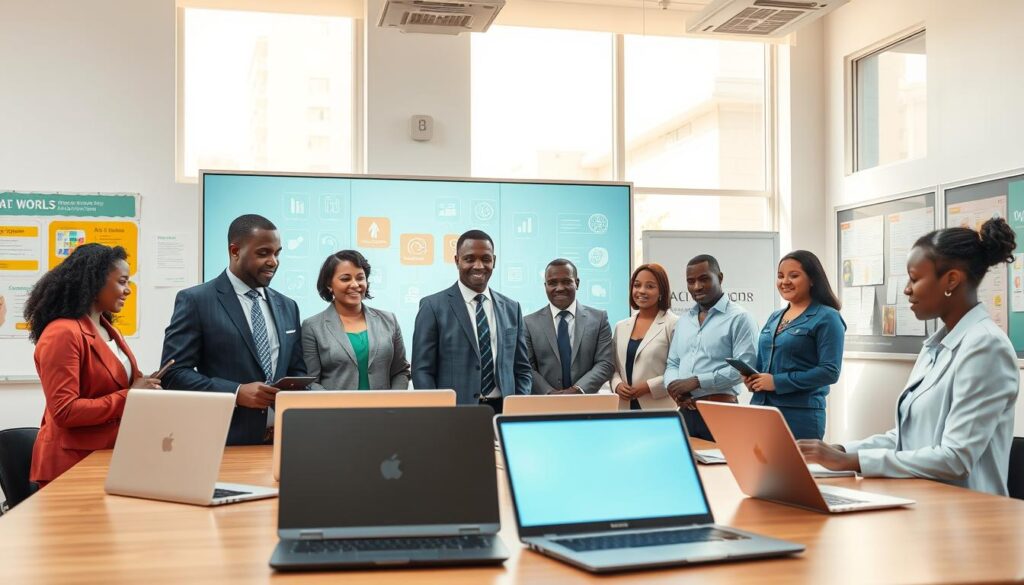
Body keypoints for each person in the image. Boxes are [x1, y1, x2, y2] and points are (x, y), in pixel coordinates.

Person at [800, 218, 1019, 496]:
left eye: (915, 279)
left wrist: (851, 461)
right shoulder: (936, 347)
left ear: (951, 280)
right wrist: (839, 451)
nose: (907, 289)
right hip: (924, 503)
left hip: (969, 515)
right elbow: (906, 440)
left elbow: (955, 458)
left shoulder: (986, 347)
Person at [161, 214, 306, 445]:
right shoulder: (196, 300)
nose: (273, 261)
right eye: (263, 253)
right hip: (226, 440)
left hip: (284, 441)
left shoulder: (288, 306)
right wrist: (236, 392)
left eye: (277, 253)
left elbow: (297, 371)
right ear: (235, 250)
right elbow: (173, 374)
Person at [25, 244, 161, 486]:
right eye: (122, 282)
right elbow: (65, 411)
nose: (128, 290)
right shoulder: (62, 333)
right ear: (95, 282)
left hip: (108, 457)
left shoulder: (109, 330)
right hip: (71, 465)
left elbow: (116, 385)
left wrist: (144, 387)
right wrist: (130, 396)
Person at [411, 229, 531, 411]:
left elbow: (522, 369)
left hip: (504, 412)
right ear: (457, 261)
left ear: (494, 261)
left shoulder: (512, 308)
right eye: (469, 259)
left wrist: (519, 406)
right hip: (454, 414)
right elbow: (422, 371)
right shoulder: (432, 307)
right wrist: (437, 413)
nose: (478, 266)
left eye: (485, 259)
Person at [744, 250, 845, 440]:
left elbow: (830, 371)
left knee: (792, 470)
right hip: (761, 410)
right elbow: (764, 364)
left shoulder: (828, 317)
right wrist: (754, 379)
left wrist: (776, 382)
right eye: (780, 276)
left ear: (812, 279)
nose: (785, 281)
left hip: (799, 416)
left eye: (794, 275)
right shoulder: (774, 317)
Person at [665, 255, 758, 441]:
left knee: (723, 470)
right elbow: (673, 362)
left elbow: (745, 369)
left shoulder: (740, 318)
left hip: (721, 413)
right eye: (690, 281)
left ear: (720, 278)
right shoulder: (684, 321)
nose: (697, 287)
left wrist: (698, 381)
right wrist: (674, 387)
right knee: (686, 469)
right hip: (685, 413)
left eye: (704, 279)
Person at [302, 250, 410, 390]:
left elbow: (401, 372)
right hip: (335, 410)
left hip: (384, 410)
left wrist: (391, 403)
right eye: (345, 279)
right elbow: (311, 381)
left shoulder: (389, 320)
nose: (355, 284)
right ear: (329, 285)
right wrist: (333, 407)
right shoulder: (312, 327)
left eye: (360, 278)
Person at [524, 259, 614, 394]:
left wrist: (577, 390)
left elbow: (605, 363)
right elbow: (526, 367)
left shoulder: (599, 319)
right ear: (545, 286)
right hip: (544, 405)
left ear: (577, 283)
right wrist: (549, 393)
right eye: (552, 283)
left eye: (566, 282)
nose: (559, 288)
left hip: (587, 404)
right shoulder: (528, 323)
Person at [611, 263, 679, 410]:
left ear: (661, 291)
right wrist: (617, 384)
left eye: (650, 286)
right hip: (624, 407)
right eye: (637, 285)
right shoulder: (621, 326)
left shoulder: (674, 324)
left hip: (659, 408)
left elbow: (680, 369)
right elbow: (613, 366)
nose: (641, 291)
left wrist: (648, 387)